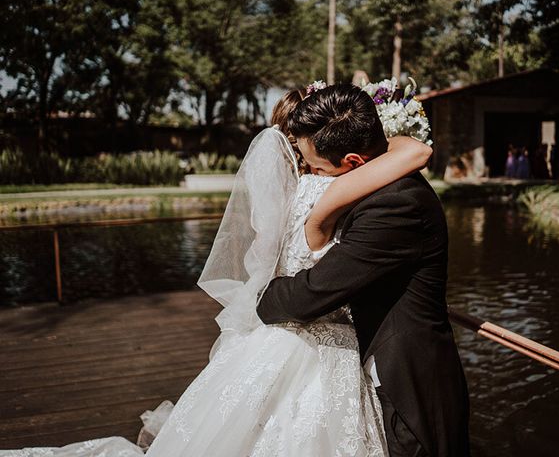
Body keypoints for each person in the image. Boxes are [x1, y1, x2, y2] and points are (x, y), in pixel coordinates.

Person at [1, 85, 433, 457]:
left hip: (289, 331)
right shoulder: (335, 185)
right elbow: (415, 150)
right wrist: (319, 217)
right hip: (314, 331)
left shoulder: (316, 183)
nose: (314, 171)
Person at [258, 84, 471, 457]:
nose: (312, 174)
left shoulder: (394, 208)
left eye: (319, 168)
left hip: (409, 391)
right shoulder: (380, 186)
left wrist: (262, 297)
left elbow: (313, 293)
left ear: (354, 162)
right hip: (375, 369)